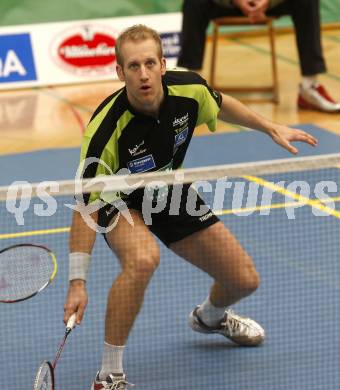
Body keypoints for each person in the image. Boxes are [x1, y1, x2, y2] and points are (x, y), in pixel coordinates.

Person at [63, 24, 317, 390]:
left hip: (167, 189)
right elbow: (85, 203)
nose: (144, 73)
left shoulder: (188, 90)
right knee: (144, 260)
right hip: (120, 201)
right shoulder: (105, 130)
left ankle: (210, 318)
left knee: (244, 280)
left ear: (163, 64)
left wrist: (268, 126)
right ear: (120, 73)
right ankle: (109, 374)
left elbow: (219, 102)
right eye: (133, 66)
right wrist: (77, 283)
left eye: (150, 63)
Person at [177, 0, 340, 113]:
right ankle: (194, 89)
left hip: (269, 3)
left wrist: (268, 2)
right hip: (226, 3)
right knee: (193, 3)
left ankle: (309, 87)